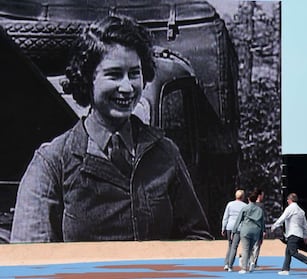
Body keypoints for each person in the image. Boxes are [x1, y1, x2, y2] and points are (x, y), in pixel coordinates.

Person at [10, 15, 212, 242]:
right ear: (87, 79)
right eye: (114, 74)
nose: (127, 87)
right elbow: (30, 259)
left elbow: (197, 238)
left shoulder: (165, 153)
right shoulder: (53, 162)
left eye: (134, 73)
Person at [271, 193, 307, 276]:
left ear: (290, 200)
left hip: (293, 233)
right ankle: (285, 269)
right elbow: (305, 225)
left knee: (293, 252)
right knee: (288, 251)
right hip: (298, 234)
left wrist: (274, 226)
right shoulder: (301, 211)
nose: (287, 201)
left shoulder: (290, 208)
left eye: (288, 199)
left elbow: (282, 218)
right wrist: (305, 235)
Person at [232, 190, 265, 274]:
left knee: (245, 249)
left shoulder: (245, 208)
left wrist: (234, 231)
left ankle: (244, 267)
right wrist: (261, 235)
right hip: (256, 231)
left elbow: (238, 220)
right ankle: (252, 263)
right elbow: (262, 223)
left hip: (245, 230)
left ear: (248, 199)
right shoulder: (260, 210)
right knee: (251, 248)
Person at [221, 189, 247, 272]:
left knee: (230, 245)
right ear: (243, 196)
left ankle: (226, 263)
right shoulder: (245, 206)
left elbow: (225, 217)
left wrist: (223, 228)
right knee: (234, 247)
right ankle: (230, 266)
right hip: (238, 228)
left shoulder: (230, 204)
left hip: (229, 227)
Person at [249, 187, 265, 270]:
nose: (263, 197)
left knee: (250, 246)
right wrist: (264, 230)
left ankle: (250, 261)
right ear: (259, 195)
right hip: (258, 229)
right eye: (262, 195)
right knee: (256, 246)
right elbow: (262, 219)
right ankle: (253, 263)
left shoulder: (250, 205)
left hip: (249, 227)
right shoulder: (261, 206)